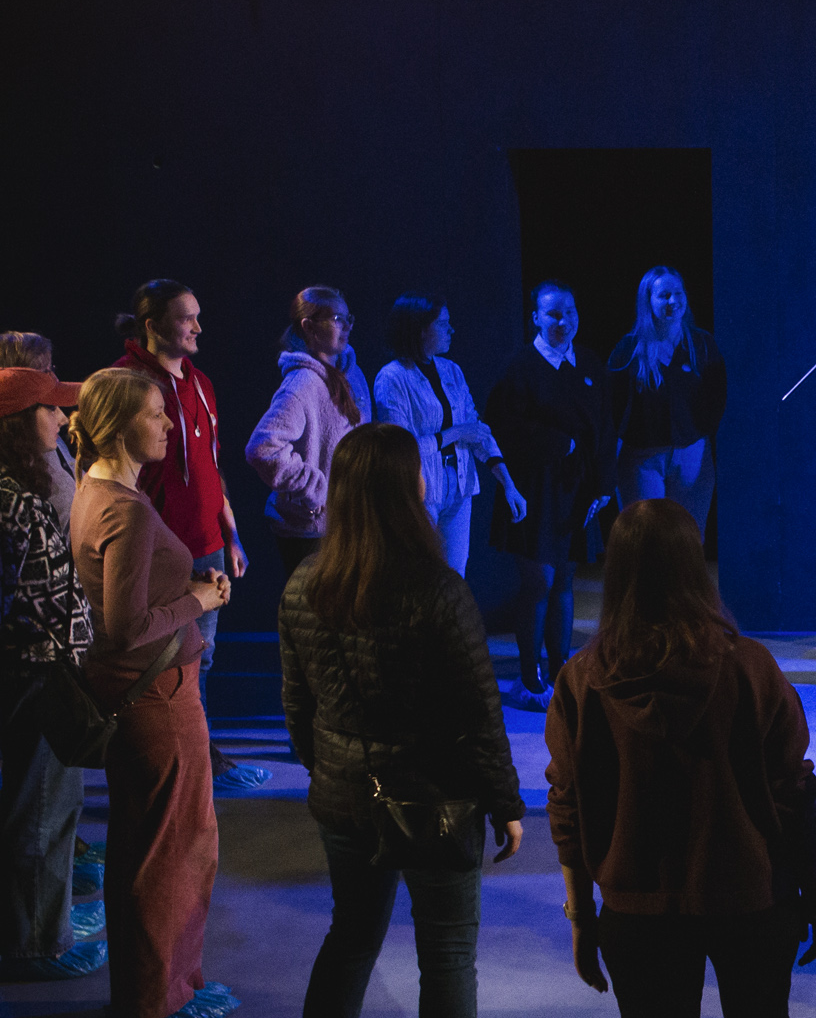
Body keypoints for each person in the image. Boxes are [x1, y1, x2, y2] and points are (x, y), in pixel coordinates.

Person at [547, 499, 816, 1018]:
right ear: (694, 565)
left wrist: (581, 913)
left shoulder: (583, 679)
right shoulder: (748, 667)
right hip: (749, 895)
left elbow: (568, 804)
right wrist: (810, 891)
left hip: (637, 911)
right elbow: (793, 788)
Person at [278, 423, 527, 1018]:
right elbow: (480, 714)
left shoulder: (303, 584)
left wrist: (333, 771)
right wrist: (507, 802)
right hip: (431, 802)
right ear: (404, 488)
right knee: (446, 959)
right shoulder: (438, 590)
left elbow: (298, 711)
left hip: (343, 798)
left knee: (350, 938)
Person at [68, 367, 240, 1018]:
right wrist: (198, 599)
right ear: (117, 426)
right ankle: (154, 1000)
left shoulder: (97, 492)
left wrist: (185, 583)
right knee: (172, 850)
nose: (169, 424)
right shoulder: (127, 510)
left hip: (145, 691)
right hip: (158, 696)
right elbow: (126, 626)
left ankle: (159, 988)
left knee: (151, 845)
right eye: (154, 414)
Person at [0, 364, 101, 980]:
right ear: (17, 422)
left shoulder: (19, 481)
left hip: (52, 669)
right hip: (34, 673)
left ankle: (47, 927)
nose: (63, 419)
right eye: (50, 409)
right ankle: (34, 946)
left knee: (55, 806)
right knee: (37, 812)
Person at [112, 280, 268, 792]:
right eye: (186, 318)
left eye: (198, 316)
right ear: (153, 325)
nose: (198, 327)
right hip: (159, 549)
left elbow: (210, 467)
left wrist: (231, 534)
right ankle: (164, 766)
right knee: (161, 660)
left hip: (207, 546)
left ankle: (199, 757)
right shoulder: (126, 382)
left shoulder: (201, 383)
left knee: (202, 656)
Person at [485, 280, 612, 709]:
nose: (564, 321)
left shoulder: (589, 363)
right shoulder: (520, 366)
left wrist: (603, 485)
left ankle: (562, 670)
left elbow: (605, 428)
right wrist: (560, 444)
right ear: (536, 318)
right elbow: (501, 427)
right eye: (554, 314)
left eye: (570, 312)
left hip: (577, 489)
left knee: (565, 580)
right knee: (539, 580)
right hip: (534, 488)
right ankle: (529, 676)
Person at [373, 294, 527, 581]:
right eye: (443, 324)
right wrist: (456, 433)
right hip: (420, 489)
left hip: (459, 484)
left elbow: (476, 430)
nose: (451, 330)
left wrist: (509, 484)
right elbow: (400, 447)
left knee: (455, 574)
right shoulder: (392, 377)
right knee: (421, 573)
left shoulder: (451, 371)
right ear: (420, 329)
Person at [247, 286, 372, 580]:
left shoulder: (352, 373)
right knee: (315, 608)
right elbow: (263, 448)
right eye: (337, 319)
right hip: (311, 532)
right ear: (309, 327)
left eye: (349, 318)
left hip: (348, 522)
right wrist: (318, 489)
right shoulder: (302, 384)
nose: (347, 326)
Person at [605, 267, 727, 529]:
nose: (673, 301)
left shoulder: (702, 344)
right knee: (647, 537)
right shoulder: (628, 349)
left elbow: (717, 397)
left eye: (678, 293)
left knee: (688, 538)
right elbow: (611, 408)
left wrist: (699, 434)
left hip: (692, 455)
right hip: (643, 459)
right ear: (648, 300)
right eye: (664, 296)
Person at [0, 332, 78, 528]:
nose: (63, 418)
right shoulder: (2, 499)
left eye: (51, 369)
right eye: (43, 372)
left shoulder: (45, 439)